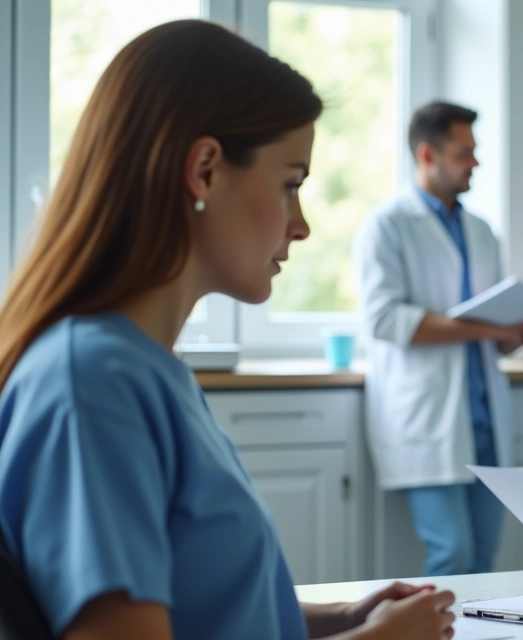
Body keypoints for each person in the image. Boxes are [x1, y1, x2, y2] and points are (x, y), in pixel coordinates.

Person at [0, 20, 454, 640]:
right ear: (206, 169)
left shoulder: (148, 370)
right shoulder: (92, 383)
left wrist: (344, 618)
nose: (302, 225)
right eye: (290, 183)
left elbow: (207, 610)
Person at [353, 102, 523, 577]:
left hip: (483, 419)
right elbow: (386, 320)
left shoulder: (481, 231)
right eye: (465, 153)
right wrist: (494, 329)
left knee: (483, 561)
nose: (476, 163)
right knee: (453, 555)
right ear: (428, 154)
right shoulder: (386, 226)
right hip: (426, 421)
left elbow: (493, 335)